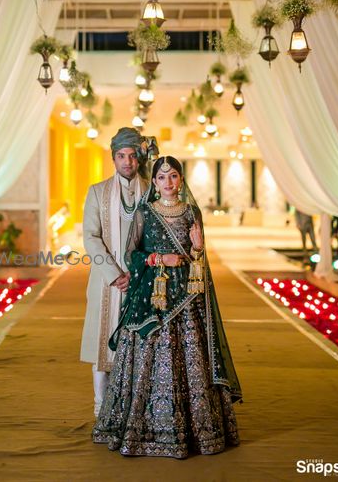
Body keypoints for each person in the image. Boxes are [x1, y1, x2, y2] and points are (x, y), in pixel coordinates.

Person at [92, 155, 242, 458]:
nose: (168, 182)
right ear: (156, 182)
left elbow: (199, 259)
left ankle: (196, 429)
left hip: (186, 297)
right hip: (152, 297)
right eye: (161, 177)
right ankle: (142, 427)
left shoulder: (191, 212)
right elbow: (132, 255)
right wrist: (159, 259)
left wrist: (198, 249)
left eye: (173, 176)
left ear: (181, 179)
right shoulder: (145, 212)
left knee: (190, 356)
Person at [80, 127, 149, 417]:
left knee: (142, 345)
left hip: (144, 281)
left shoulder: (152, 190)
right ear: (114, 158)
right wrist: (114, 274)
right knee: (103, 346)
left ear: (139, 158)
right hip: (107, 283)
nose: (127, 162)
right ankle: (101, 409)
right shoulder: (97, 192)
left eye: (133, 156)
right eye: (121, 156)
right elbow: (90, 237)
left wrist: (138, 273)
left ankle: (137, 411)